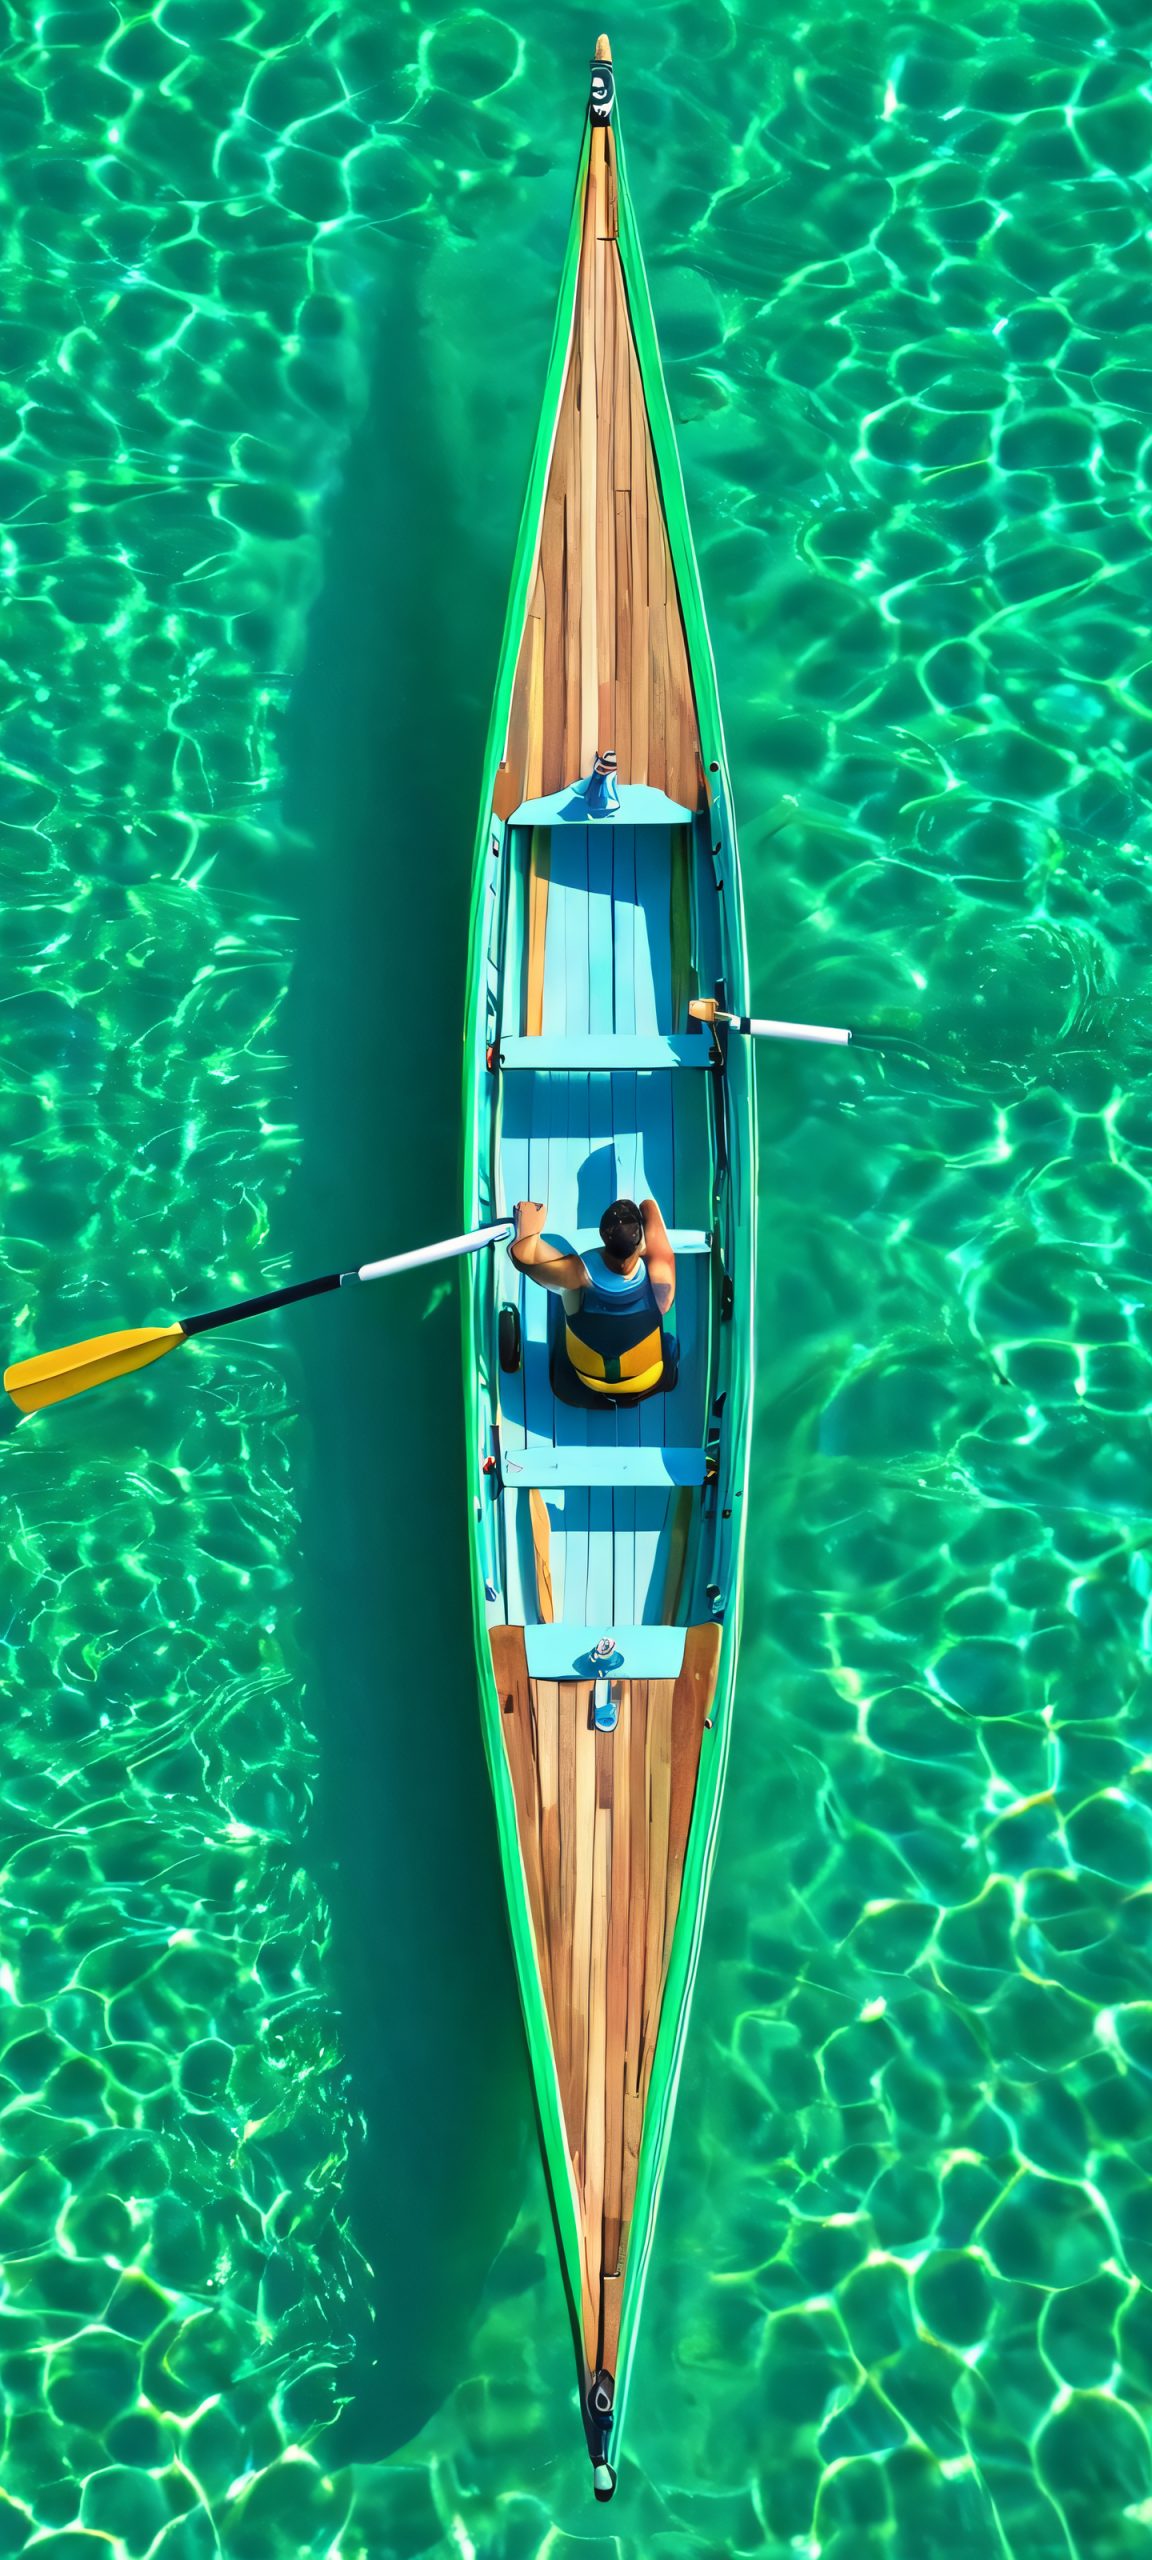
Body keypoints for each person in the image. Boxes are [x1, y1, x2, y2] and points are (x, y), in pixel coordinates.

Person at [510, 1195, 676, 1401]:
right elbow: (651, 1211)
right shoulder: (660, 1277)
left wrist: (528, 1230)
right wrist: (646, 1207)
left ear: (602, 1235)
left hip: (588, 1378)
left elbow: (522, 1257)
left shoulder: (576, 1273)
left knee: (556, 1245)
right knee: (665, 1309)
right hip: (648, 1377)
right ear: (641, 1243)